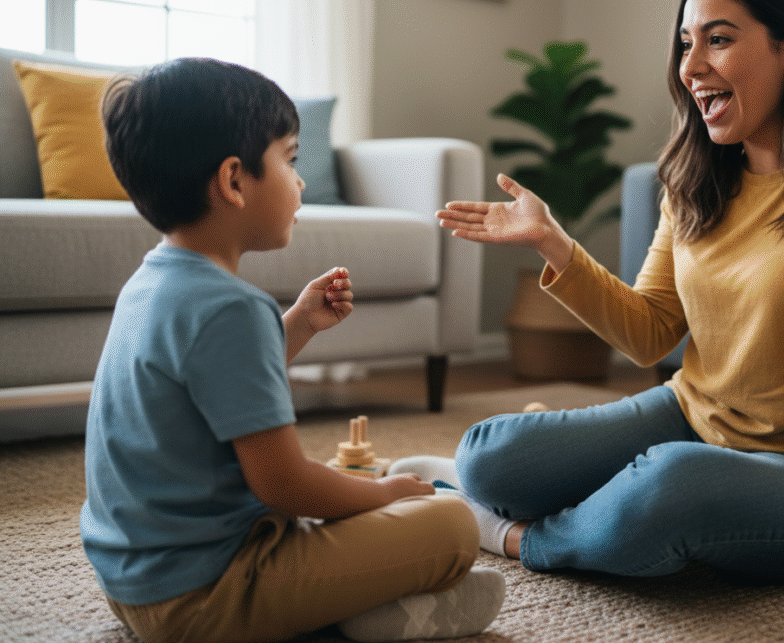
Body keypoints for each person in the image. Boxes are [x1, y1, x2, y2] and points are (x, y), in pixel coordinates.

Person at [393, 0, 784, 586]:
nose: (691, 67)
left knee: (666, 486)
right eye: (686, 44)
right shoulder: (697, 175)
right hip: (694, 414)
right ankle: (581, 506)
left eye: (719, 40)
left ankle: (518, 536)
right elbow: (651, 331)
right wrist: (555, 245)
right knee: (490, 456)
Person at [80, 58, 504, 643]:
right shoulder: (231, 306)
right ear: (233, 181)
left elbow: (213, 390)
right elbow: (284, 487)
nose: (300, 181)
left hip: (136, 586)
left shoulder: (151, 285)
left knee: (370, 492)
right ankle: (370, 621)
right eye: (290, 159)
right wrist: (379, 495)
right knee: (450, 523)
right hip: (211, 595)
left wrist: (296, 328)